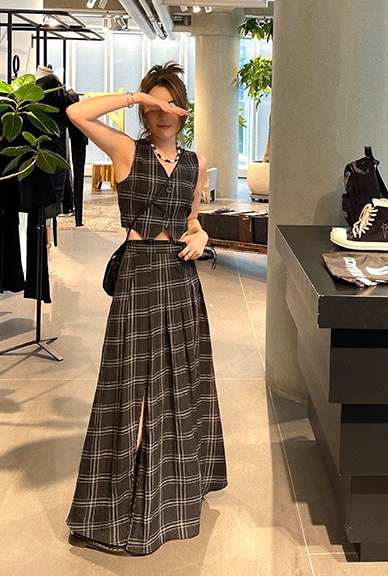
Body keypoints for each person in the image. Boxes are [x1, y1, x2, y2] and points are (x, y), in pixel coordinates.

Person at [65, 62, 227, 555]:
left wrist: (201, 238)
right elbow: (77, 113)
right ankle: (116, 506)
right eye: (155, 104)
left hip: (180, 276)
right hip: (139, 273)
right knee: (130, 385)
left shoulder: (195, 162)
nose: (163, 113)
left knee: (181, 380)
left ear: (184, 110)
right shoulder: (126, 150)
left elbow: (193, 221)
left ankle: (172, 492)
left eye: (171, 104)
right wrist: (136, 96)